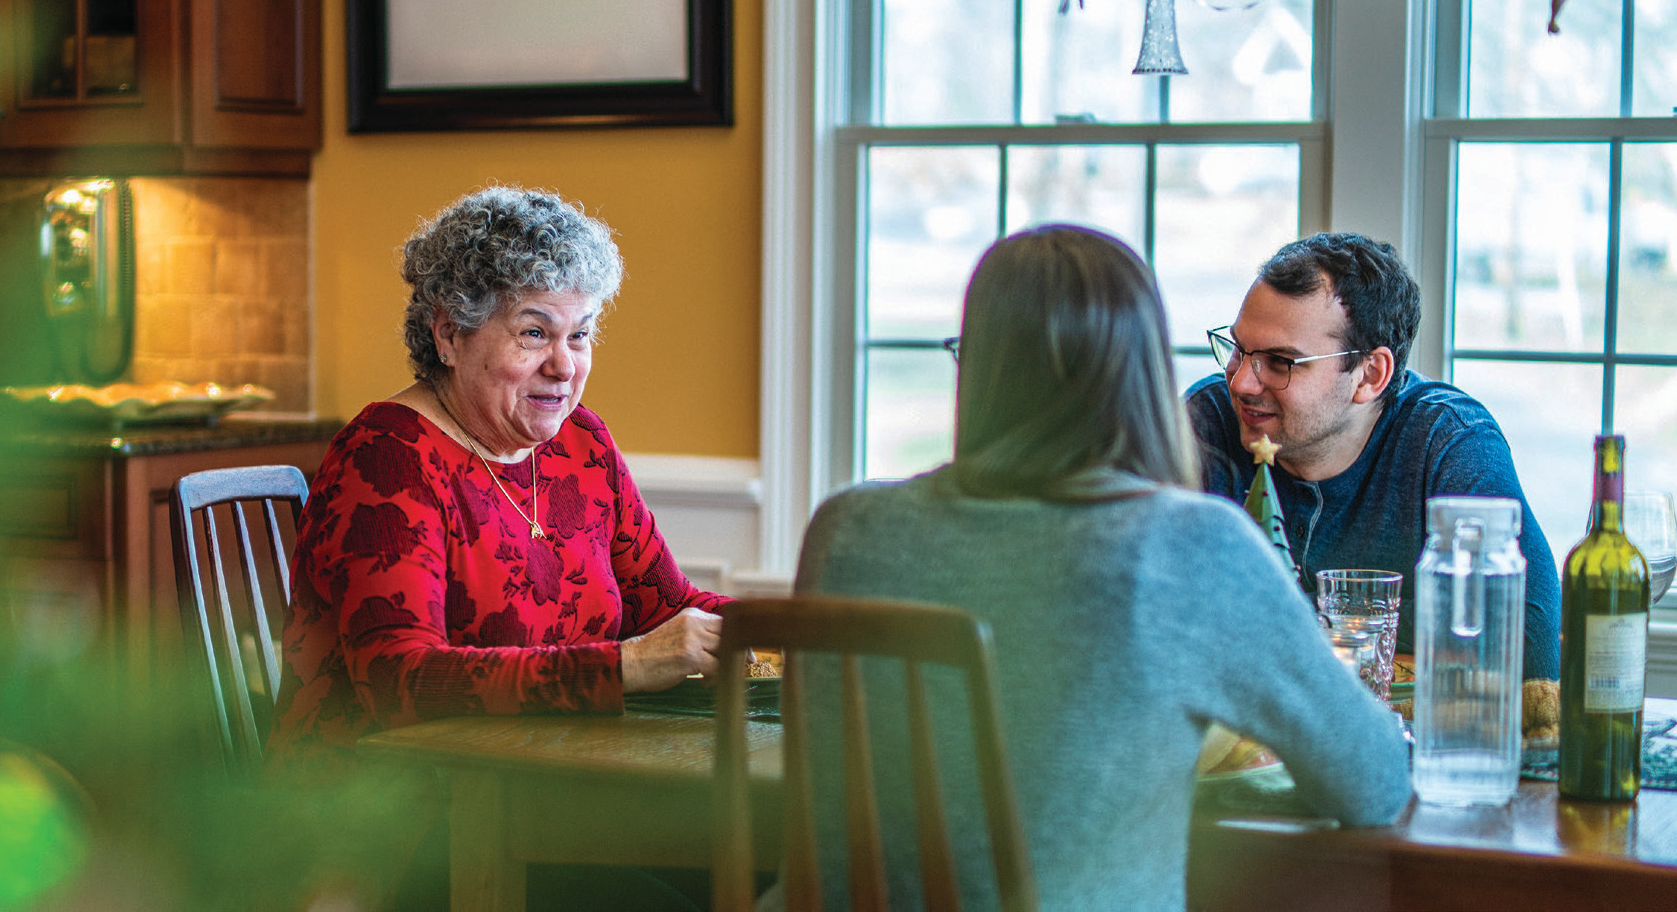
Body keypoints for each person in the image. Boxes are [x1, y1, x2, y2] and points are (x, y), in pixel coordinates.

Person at [793, 225, 1408, 911]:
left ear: (975, 364)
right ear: (1141, 377)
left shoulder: (846, 529)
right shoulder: (1192, 548)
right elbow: (1372, 783)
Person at [270, 186, 730, 908]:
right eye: (534, 334)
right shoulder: (387, 456)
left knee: (767, 863)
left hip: (554, 797)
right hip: (402, 827)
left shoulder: (582, 444)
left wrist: (798, 632)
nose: (563, 367)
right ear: (449, 334)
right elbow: (398, 681)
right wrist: (624, 667)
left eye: (579, 335)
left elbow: (664, 608)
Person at [1185, 232, 1560, 680]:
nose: (1242, 382)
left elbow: (1531, 657)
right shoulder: (1204, 425)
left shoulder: (1449, 445)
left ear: (1370, 374)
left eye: (1281, 361)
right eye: (1239, 350)